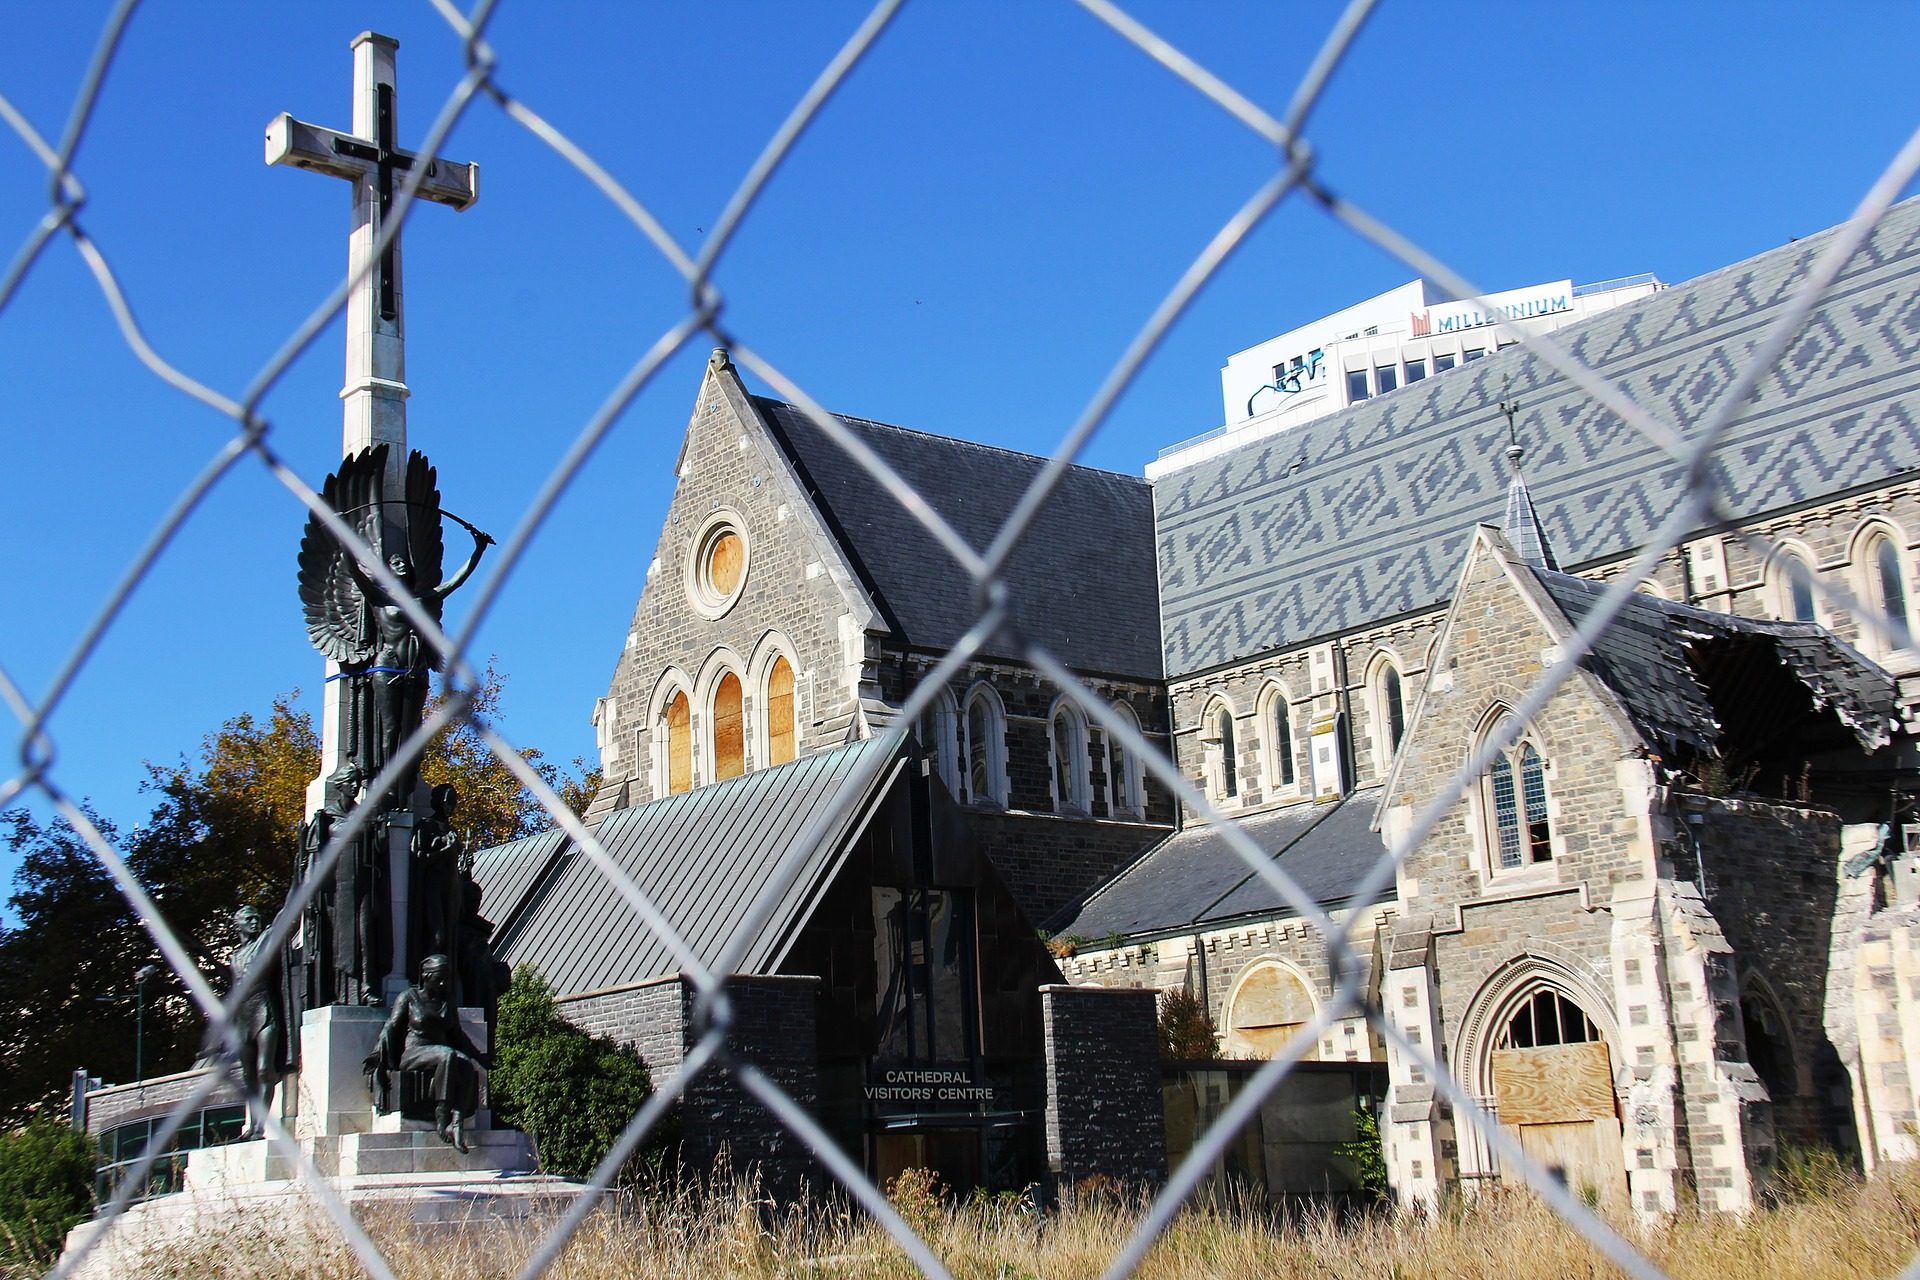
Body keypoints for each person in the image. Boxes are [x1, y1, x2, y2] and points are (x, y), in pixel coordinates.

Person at [364, 953, 487, 1151]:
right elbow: (392, 1026)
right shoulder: (409, 997)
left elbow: (457, 1033)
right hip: (414, 1053)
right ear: (426, 977)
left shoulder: (447, 1000)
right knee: (448, 1055)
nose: (443, 984)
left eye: (447, 979)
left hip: (441, 1052)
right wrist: (378, 1053)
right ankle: (442, 1114)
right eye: (439, 979)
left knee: (464, 1062)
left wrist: (479, 1056)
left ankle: (456, 1124)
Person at [227, 904, 286, 1139]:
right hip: (243, 1016)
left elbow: (285, 911)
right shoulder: (234, 956)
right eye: (250, 918)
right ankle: (251, 1126)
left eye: (257, 918)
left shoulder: (266, 939)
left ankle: (260, 1127)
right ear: (237, 924)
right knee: (247, 1075)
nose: (255, 922)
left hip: (264, 1009)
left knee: (264, 1069)